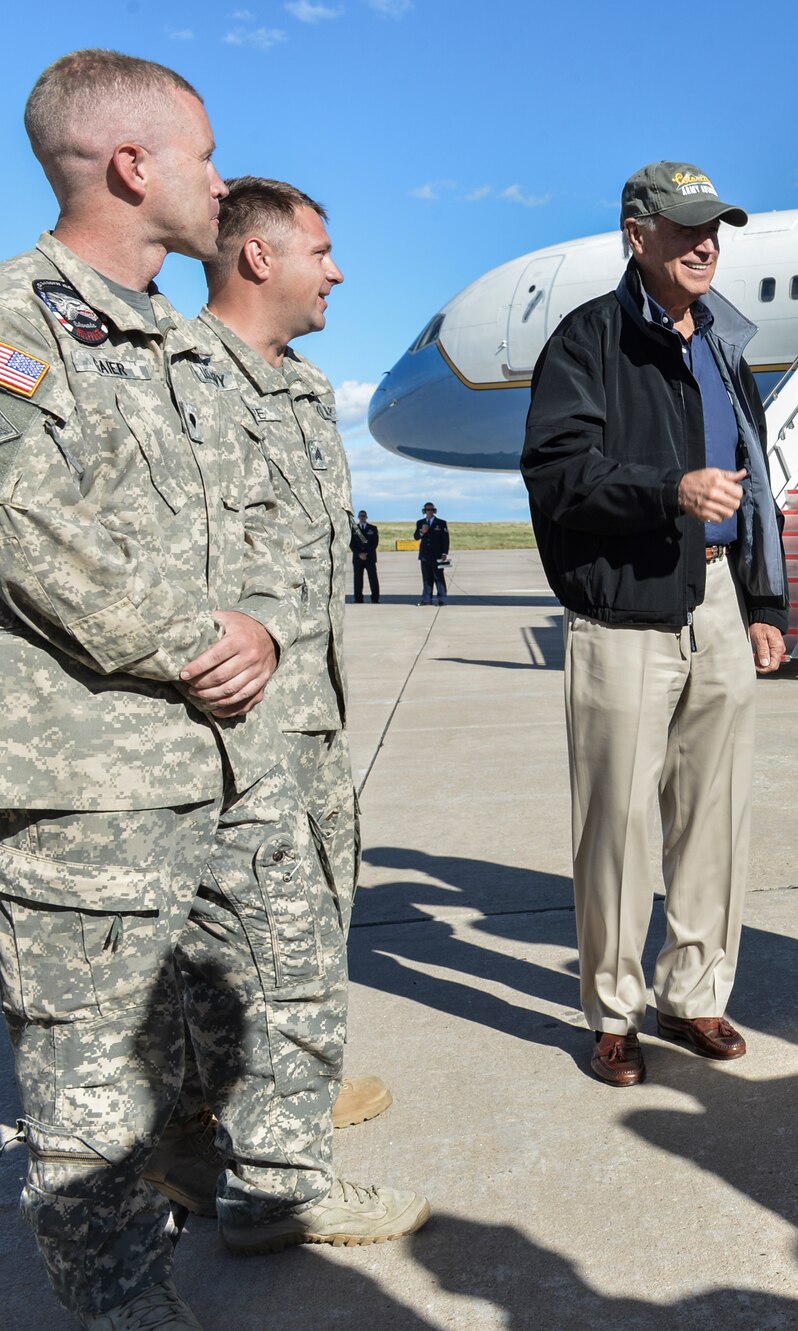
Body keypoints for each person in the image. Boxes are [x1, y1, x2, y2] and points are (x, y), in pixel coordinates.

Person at [0, 51, 416, 1331]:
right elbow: (27, 518)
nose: (219, 179)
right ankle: (127, 1313)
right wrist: (195, 636)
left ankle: (260, 1191)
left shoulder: (173, 348)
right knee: (91, 1084)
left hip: (216, 755)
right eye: (203, 154)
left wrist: (267, 649)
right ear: (133, 167)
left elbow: (245, 544)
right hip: (90, 778)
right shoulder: (20, 322)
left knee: (223, 1010)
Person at [143, 175, 406, 1230]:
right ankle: (213, 1139)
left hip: (314, 712)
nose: (336, 270)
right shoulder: (176, 376)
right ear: (258, 257)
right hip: (229, 721)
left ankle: (276, 1092)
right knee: (231, 942)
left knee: (315, 917)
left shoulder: (301, 388)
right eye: (321, 251)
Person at [521, 159, 788, 1087]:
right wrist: (666, 491)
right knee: (620, 824)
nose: (707, 242)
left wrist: (763, 602)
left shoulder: (721, 344)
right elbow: (558, 473)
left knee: (714, 814)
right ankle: (614, 1009)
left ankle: (696, 993)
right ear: (638, 235)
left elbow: (757, 481)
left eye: (715, 226)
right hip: (622, 607)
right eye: (686, 227)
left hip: (715, 597)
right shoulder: (588, 339)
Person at [415, 502, 449, 604]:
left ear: (434, 510)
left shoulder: (441, 523)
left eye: (431, 510)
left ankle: (442, 599)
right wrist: (422, 532)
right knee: (426, 578)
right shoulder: (420, 522)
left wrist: (444, 552)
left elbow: (445, 539)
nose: (429, 512)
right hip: (425, 555)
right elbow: (416, 537)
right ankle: (426, 599)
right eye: (427, 510)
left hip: (437, 555)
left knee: (438, 577)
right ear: (424, 511)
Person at [350, 508, 380, 603]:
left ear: (366, 517)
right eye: (360, 516)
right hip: (357, 558)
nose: (362, 517)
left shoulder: (373, 528)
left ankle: (375, 598)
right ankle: (358, 599)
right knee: (358, 579)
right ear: (358, 517)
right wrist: (359, 553)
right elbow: (351, 543)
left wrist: (366, 553)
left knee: (373, 579)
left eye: (364, 516)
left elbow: (375, 543)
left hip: (369, 557)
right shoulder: (353, 529)